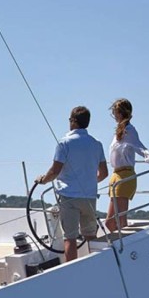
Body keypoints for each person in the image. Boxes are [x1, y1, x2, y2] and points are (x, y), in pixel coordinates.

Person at [35, 106, 108, 262]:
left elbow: (54, 171)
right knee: (91, 236)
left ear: (73, 121)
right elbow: (104, 173)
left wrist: (43, 180)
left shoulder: (64, 143)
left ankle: (72, 272)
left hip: (69, 197)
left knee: (70, 238)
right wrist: (88, 182)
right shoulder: (97, 144)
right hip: (89, 196)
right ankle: (96, 266)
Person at [104, 98, 149, 232]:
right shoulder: (119, 132)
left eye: (114, 113)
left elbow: (140, 147)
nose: (114, 116)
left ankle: (124, 248)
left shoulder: (130, 130)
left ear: (120, 113)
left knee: (121, 221)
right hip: (115, 175)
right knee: (109, 223)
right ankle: (118, 247)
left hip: (125, 175)